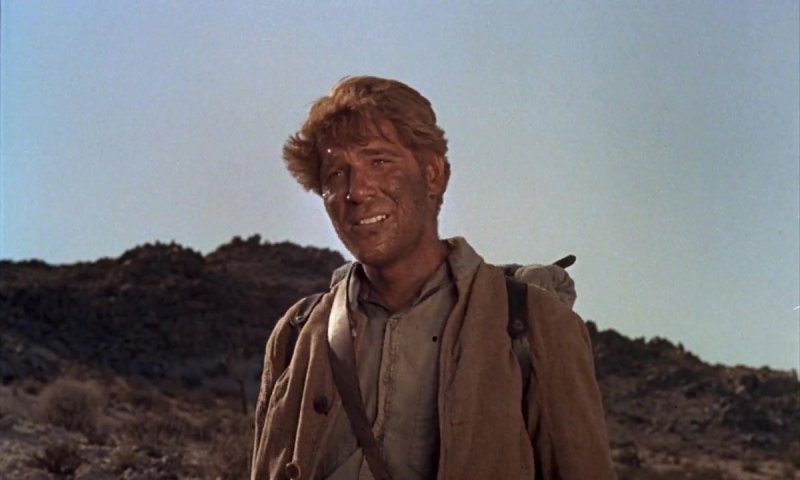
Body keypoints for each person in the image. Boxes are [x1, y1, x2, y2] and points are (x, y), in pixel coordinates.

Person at [252, 76, 616, 480]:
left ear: (433, 175)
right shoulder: (297, 335)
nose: (356, 191)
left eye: (379, 161)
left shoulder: (533, 324)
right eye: (336, 174)